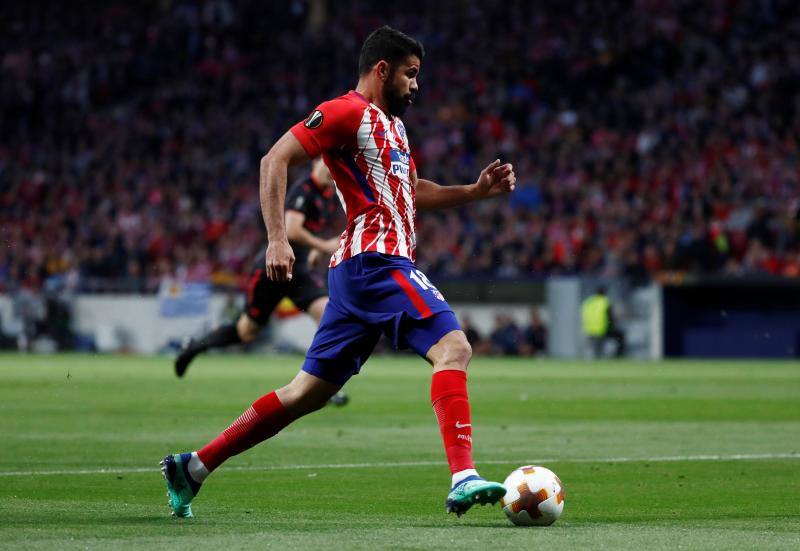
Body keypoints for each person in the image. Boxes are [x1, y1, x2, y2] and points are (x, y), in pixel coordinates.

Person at [160, 25, 516, 519]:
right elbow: (274, 160)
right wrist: (277, 238)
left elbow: (415, 192)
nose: (417, 85)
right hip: (376, 262)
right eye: (411, 75)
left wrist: (474, 192)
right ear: (382, 70)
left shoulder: (394, 127)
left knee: (305, 394)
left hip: (358, 270)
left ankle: (194, 467)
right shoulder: (348, 111)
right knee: (453, 347)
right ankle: (464, 476)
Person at [173, 158, 341, 378]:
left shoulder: (328, 196)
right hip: (274, 268)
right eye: (327, 164)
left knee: (328, 315)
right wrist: (323, 246)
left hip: (298, 271)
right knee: (246, 331)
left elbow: (309, 231)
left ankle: (320, 381)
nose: (331, 171)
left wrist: (315, 250)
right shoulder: (304, 190)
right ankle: (195, 345)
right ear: (316, 162)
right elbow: (291, 230)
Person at [581, 287, 626, 358]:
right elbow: (610, 318)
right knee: (620, 336)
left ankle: (596, 354)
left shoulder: (588, 302)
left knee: (596, 345)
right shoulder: (605, 302)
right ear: (605, 293)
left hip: (588, 330)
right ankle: (618, 357)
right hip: (601, 330)